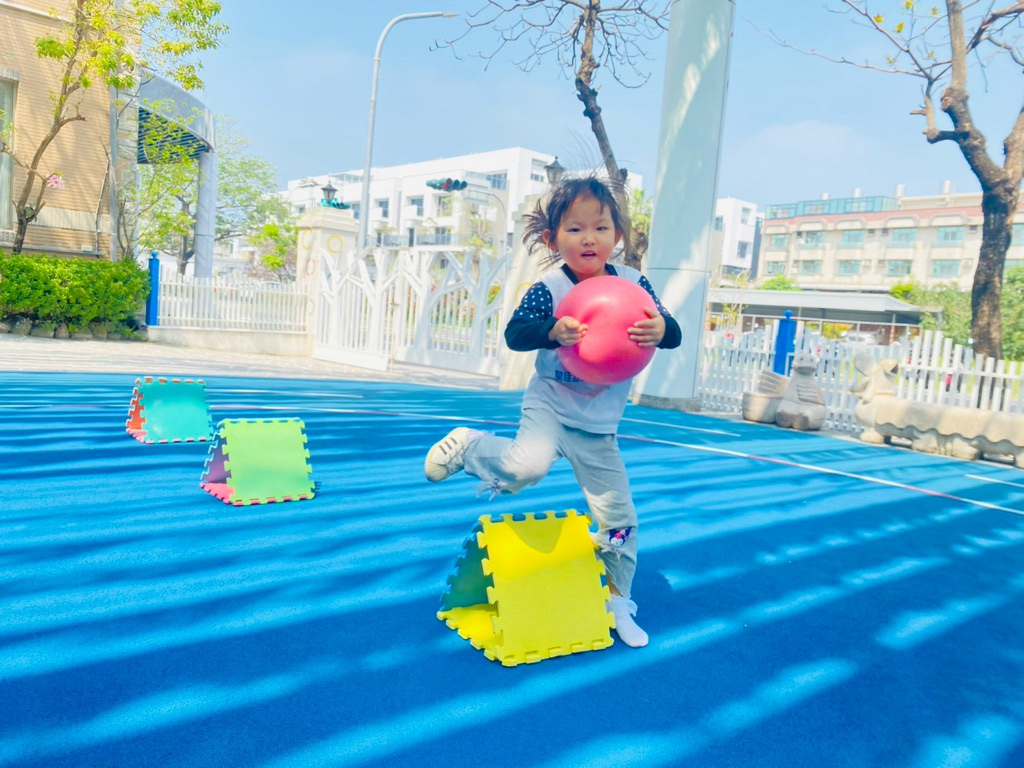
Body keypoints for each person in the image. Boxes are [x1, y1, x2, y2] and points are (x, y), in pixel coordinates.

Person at [424, 175, 681, 648]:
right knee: (526, 468)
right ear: (552, 238)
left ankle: (618, 599)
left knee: (620, 521)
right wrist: (552, 330)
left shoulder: (633, 283)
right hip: (551, 404)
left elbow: (672, 330)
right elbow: (516, 333)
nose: (589, 239)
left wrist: (662, 330)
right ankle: (470, 447)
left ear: (617, 235)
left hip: (598, 424)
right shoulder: (550, 286)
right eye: (575, 229)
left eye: (600, 228)